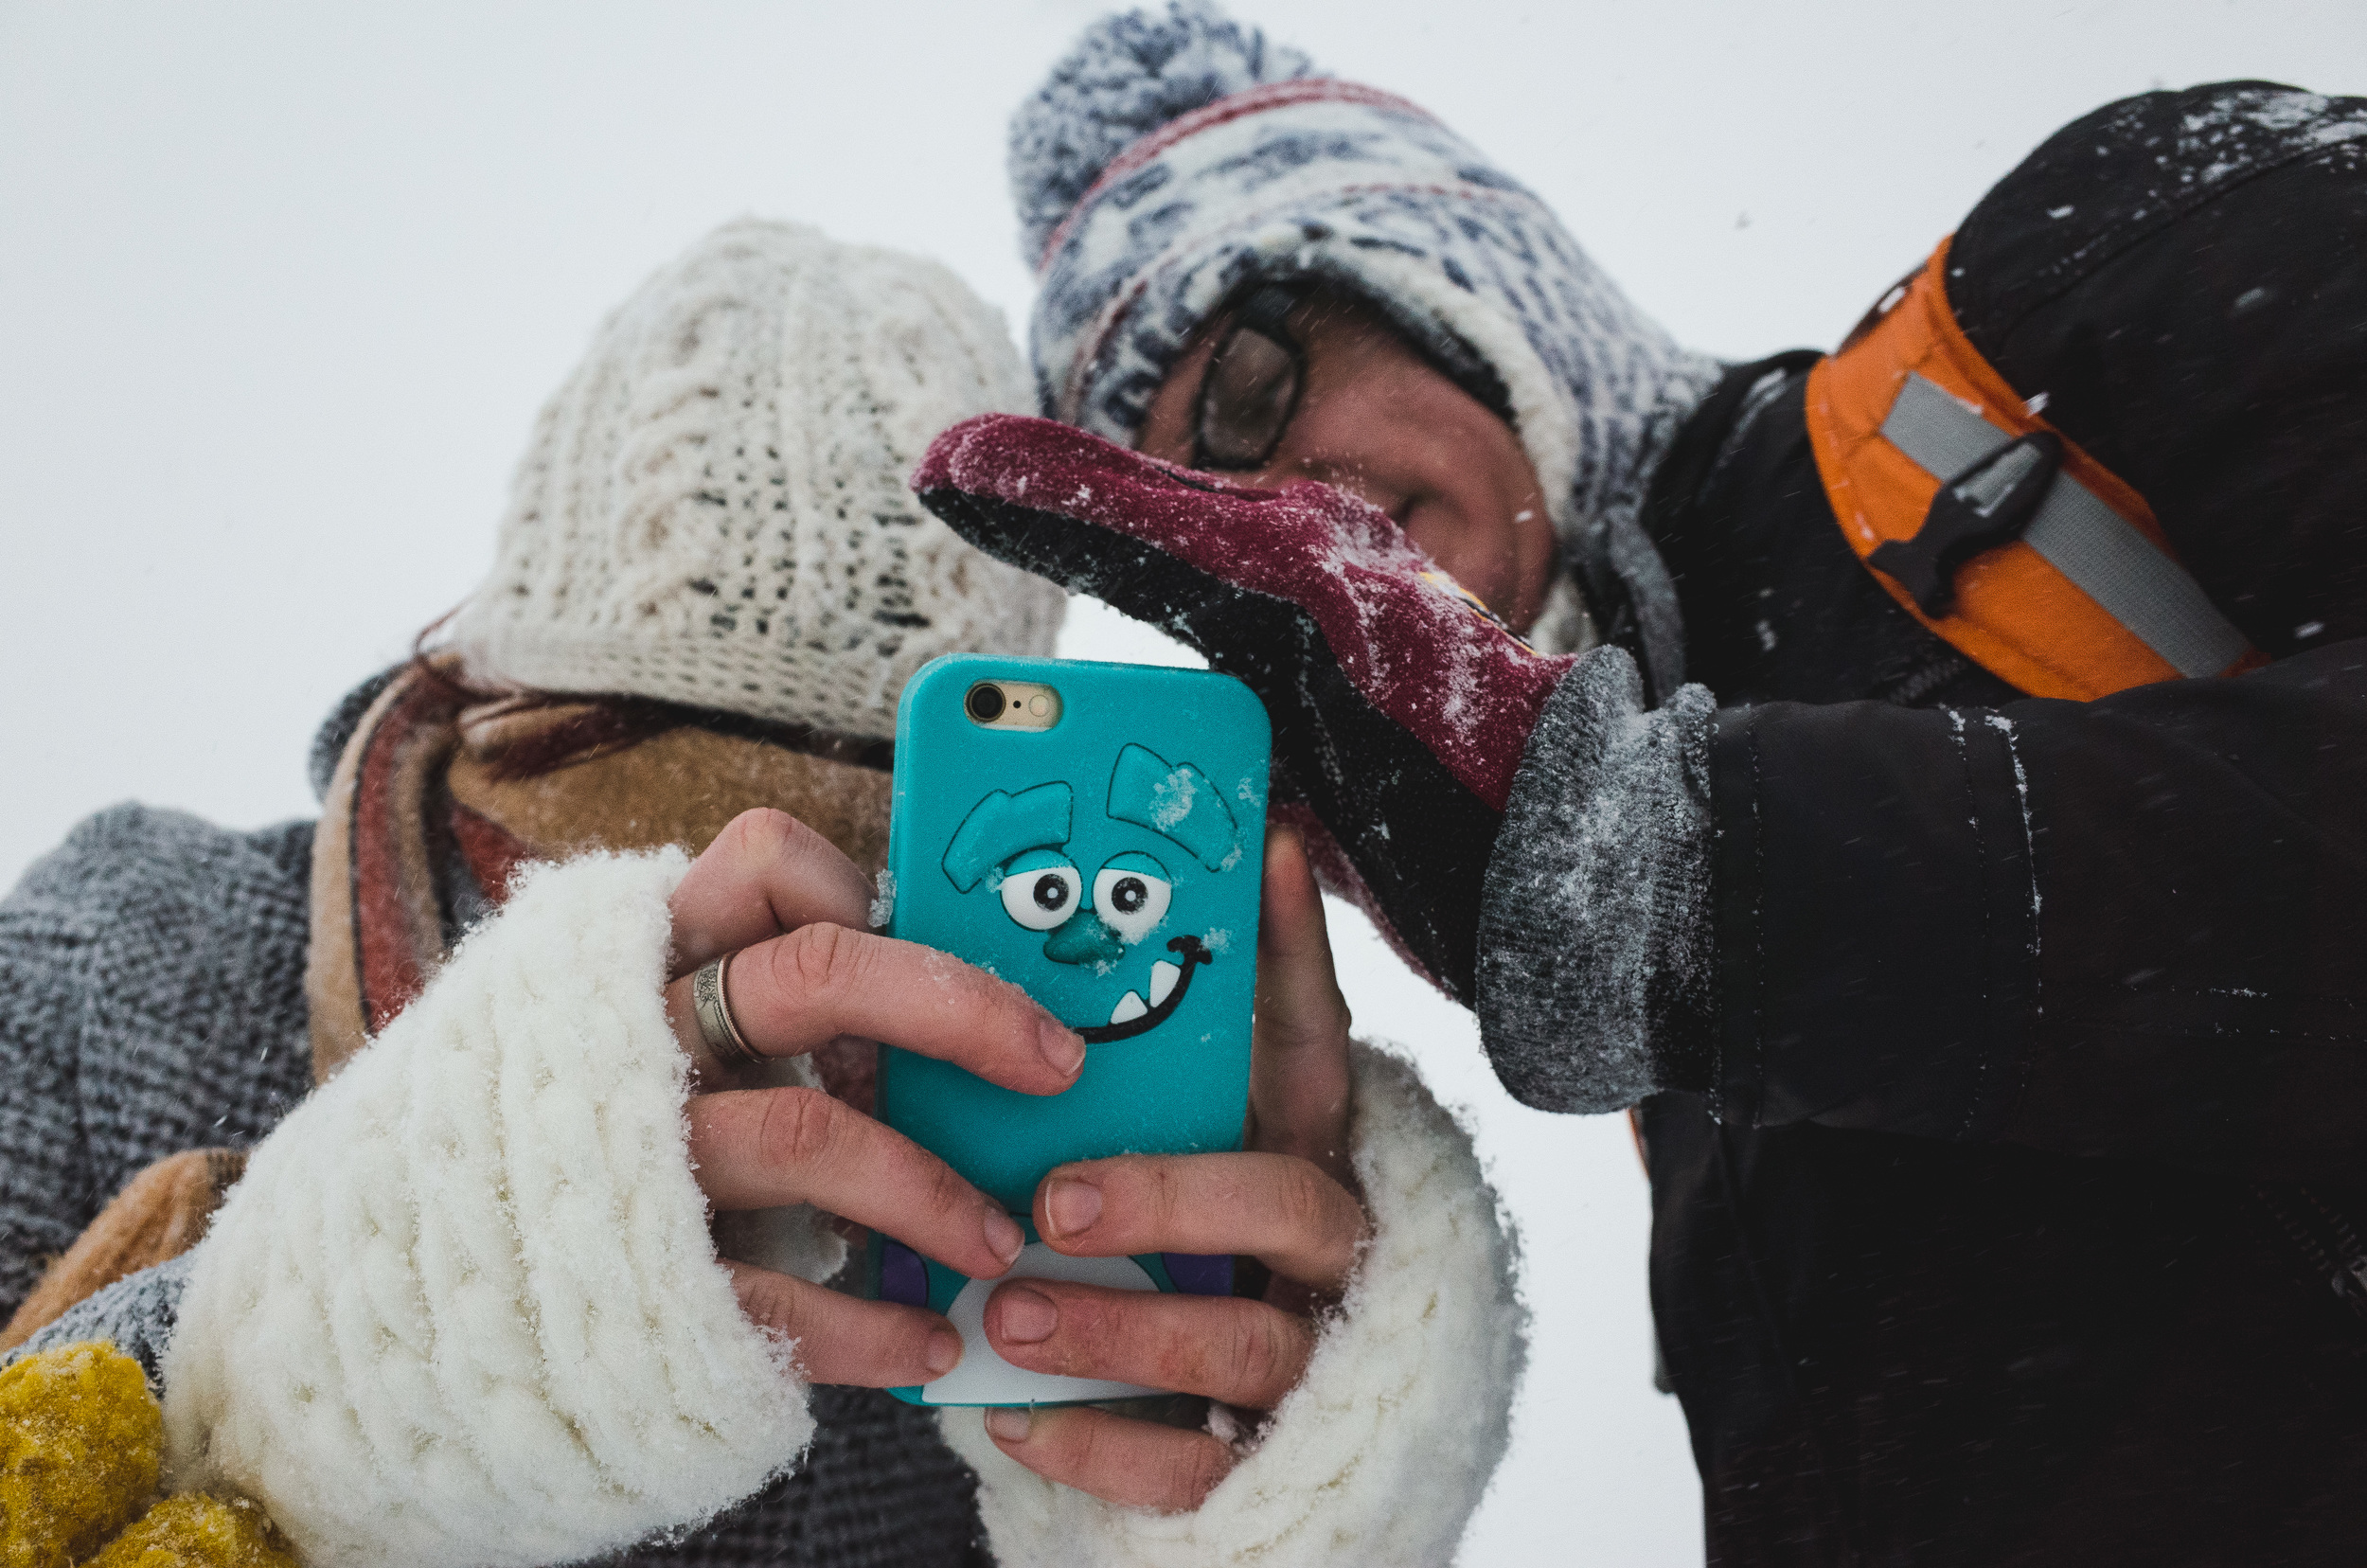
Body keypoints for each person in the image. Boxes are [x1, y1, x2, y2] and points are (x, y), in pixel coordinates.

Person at [909, 5, 2367, 1562]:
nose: (1281, 519)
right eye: (1201, 507)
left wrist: (1692, 883)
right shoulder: (1639, 1050)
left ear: (1445, 276)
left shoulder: (2116, 239)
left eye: (1253, 394)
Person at [0, 218, 1524, 1567]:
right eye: (612, 838)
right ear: (477, 709)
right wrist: (294, 1387)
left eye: (885, 874)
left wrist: (1242, 1530)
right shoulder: (114, 984)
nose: (767, 943)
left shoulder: (997, 1291)